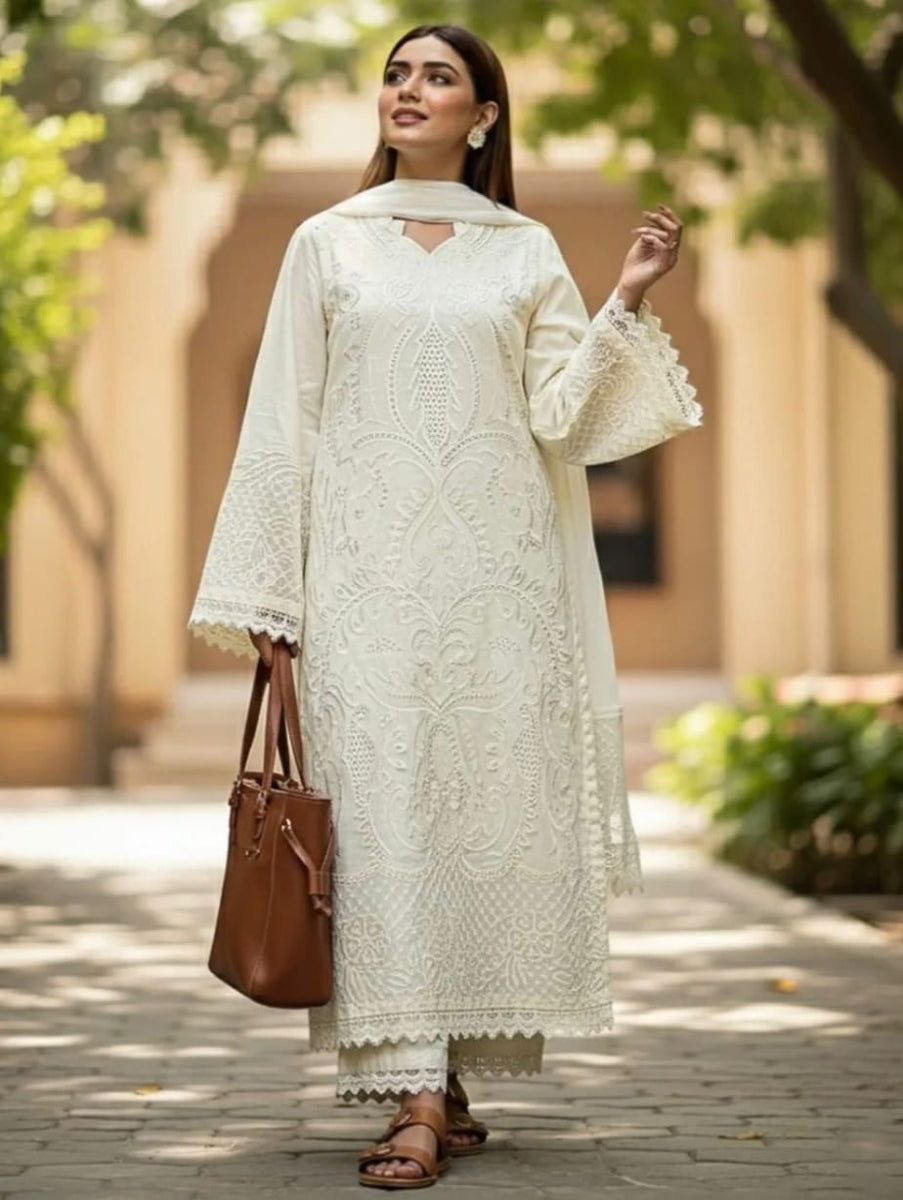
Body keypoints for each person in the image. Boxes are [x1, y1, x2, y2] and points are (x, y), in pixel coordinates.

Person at [188, 21, 703, 1191]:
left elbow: (566, 419)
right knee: (380, 834)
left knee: (468, 826)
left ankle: (444, 1073)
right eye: (396, 74)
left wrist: (625, 295)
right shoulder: (328, 246)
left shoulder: (524, 252)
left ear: (484, 117)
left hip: (495, 596)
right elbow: (285, 420)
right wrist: (273, 595)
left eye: (438, 77)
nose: (408, 91)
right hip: (362, 588)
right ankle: (414, 1089)